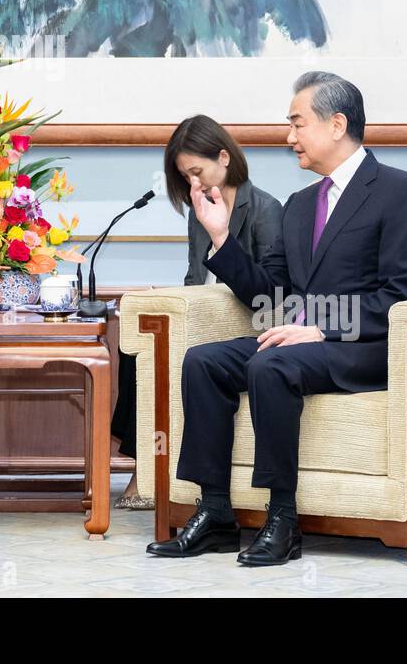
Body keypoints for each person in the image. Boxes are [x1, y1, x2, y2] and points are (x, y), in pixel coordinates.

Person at [147, 72, 407, 565]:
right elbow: (269, 290)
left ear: (337, 123)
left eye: (297, 124)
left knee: (270, 365)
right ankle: (215, 512)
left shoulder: (398, 191)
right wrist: (220, 238)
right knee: (203, 361)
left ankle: (283, 519)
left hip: (362, 347)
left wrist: (322, 327)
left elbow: (401, 295)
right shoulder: (302, 205)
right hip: (302, 340)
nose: (289, 137)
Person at [111, 115, 282, 508]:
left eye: (197, 172)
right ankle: (144, 465)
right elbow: (195, 277)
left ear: (224, 157)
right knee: (138, 342)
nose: (194, 185)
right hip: (201, 315)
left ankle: (145, 474)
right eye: (185, 177)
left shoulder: (266, 209)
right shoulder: (199, 209)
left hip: (242, 320)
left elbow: (268, 292)